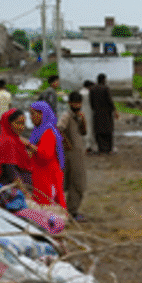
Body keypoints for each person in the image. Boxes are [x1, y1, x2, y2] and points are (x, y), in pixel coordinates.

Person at [28, 101, 67, 210]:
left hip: (48, 174)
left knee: (48, 202)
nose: (31, 117)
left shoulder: (48, 132)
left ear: (42, 114)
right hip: (41, 173)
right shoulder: (38, 131)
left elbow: (46, 154)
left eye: (33, 114)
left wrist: (29, 145)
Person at [57, 91, 88, 220]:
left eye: (79, 103)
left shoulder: (79, 116)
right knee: (76, 182)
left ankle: (70, 208)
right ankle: (71, 211)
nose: (77, 105)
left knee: (75, 181)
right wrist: (67, 143)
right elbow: (59, 129)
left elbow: (84, 132)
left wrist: (83, 120)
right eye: (75, 103)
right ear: (70, 103)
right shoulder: (66, 116)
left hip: (78, 153)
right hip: (71, 154)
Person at [0, 108, 35, 188]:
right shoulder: (8, 141)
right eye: (18, 123)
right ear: (8, 123)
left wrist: (29, 146)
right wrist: (25, 193)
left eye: (23, 124)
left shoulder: (15, 139)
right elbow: (12, 171)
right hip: (13, 187)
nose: (21, 127)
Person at [89, 73, 118, 154]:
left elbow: (91, 102)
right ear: (103, 80)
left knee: (98, 131)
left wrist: (95, 109)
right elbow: (110, 101)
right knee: (108, 131)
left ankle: (101, 148)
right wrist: (114, 110)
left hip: (97, 113)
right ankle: (109, 148)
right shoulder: (106, 88)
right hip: (106, 113)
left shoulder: (92, 89)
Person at [79, 79, 95, 154]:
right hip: (89, 112)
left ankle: (84, 146)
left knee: (82, 127)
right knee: (89, 128)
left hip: (81, 111)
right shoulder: (89, 93)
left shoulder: (80, 92)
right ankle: (88, 147)